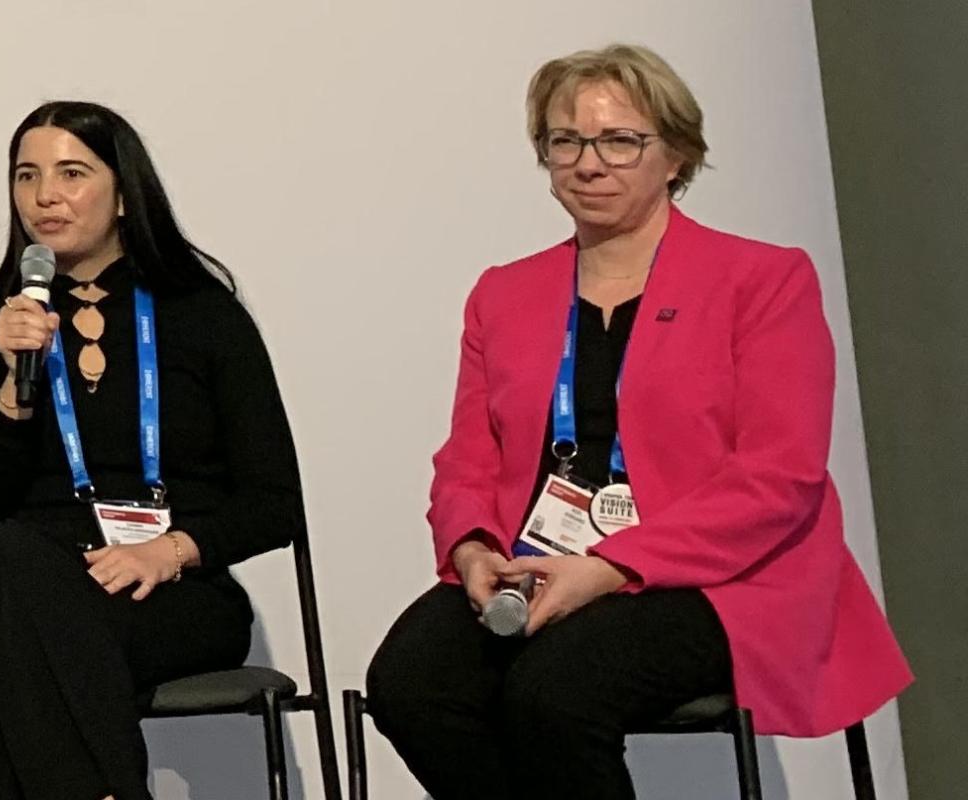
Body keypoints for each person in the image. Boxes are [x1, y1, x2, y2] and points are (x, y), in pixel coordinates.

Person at [364, 44, 911, 799]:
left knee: (553, 694)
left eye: (620, 141)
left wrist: (613, 566)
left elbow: (779, 476)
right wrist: (471, 549)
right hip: (541, 560)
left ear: (677, 153)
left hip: (721, 575)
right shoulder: (503, 294)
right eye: (566, 141)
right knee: (410, 683)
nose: (590, 164)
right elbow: (467, 458)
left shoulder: (763, 279)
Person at [0, 100, 305, 800]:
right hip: (24, 570)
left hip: (168, 588)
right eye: (26, 176)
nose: (44, 195)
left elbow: (274, 503)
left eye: (71, 172)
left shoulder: (203, 313)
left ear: (121, 194)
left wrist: (167, 552)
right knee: (17, 564)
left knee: (33, 643)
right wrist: (14, 388)